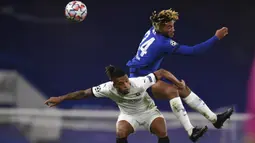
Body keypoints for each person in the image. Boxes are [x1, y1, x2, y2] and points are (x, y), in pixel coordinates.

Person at [126, 8, 234, 141]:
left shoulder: (153, 30)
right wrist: (215, 37)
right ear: (161, 27)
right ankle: (191, 131)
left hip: (143, 75)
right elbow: (194, 51)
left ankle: (215, 119)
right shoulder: (163, 43)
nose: (173, 29)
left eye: (173, 26)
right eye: (169, 27)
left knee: (183, 89)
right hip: (139, 81)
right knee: (172, 91)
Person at [45, 65, 202, 143]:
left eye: (126, 81)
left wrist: (177, 83)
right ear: (114, 84)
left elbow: (161, 72)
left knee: (161, 131)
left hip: (149, 112)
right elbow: (83, 93)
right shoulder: (106, 88)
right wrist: (60, 98)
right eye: (121, 83)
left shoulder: (139, 83)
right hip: (128, 115)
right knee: (121, 132)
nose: (126, 85)